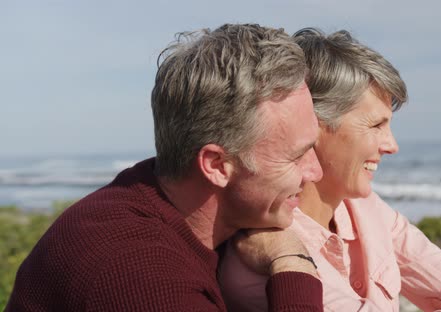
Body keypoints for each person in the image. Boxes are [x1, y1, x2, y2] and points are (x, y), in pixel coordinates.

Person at [219, 28, 441, 312]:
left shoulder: (364, 207)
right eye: (375, 126)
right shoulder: (270, 244)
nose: (392, 145)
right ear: (313, 125)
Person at [6, 24, 325, 311]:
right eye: (296, 156)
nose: (315, 173)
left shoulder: (145, 194)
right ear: (216, 165)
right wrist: (291, 262)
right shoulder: (143, 275)